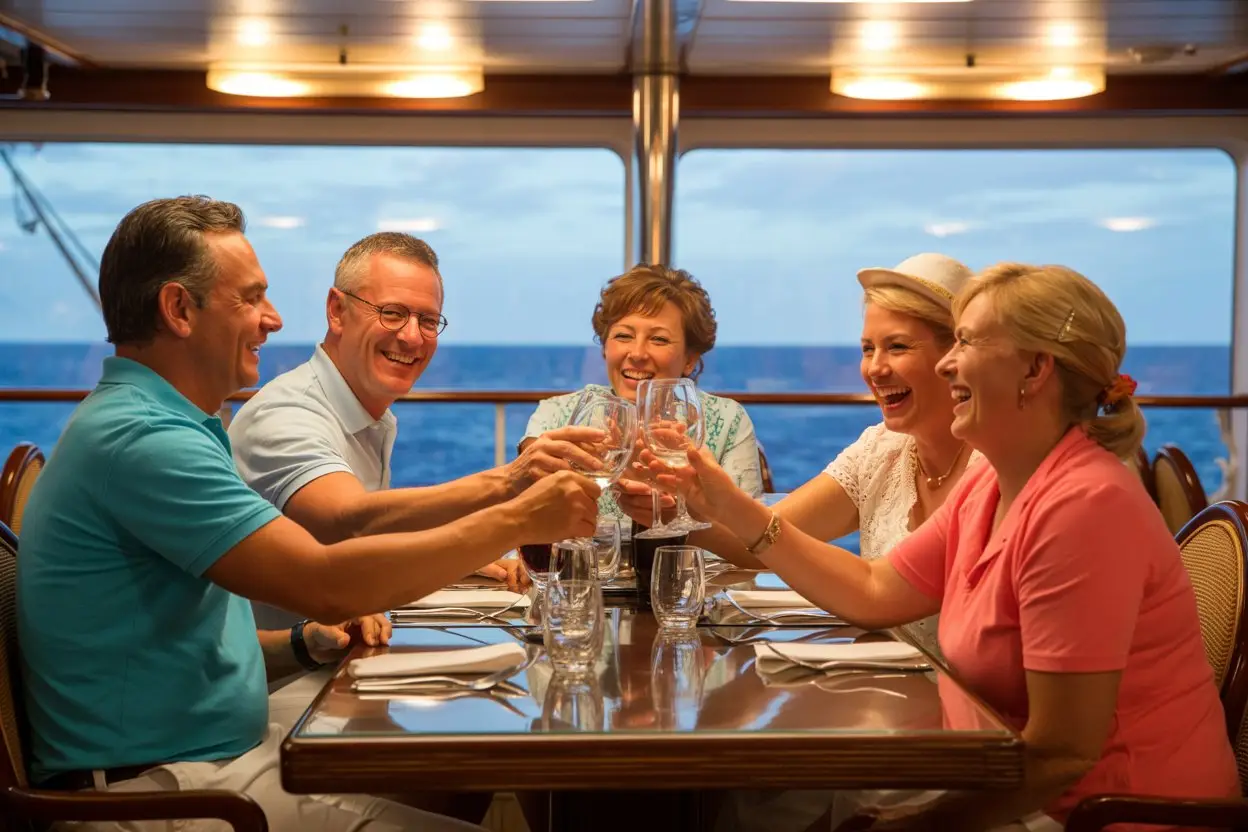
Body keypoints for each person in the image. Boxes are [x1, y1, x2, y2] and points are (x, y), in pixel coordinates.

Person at [16, 196, 599, 832]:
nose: (271, 319)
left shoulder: (169, 423)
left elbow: (169, 640)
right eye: (251, 298)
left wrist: (299, 642)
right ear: (179, 309)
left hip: (204, 753)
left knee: (454, 773)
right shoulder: (143, 438)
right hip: (162, 789)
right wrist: (517, 514)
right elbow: (325, 579)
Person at [654, 262, 1238, 831]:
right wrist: (725, 505)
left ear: (1035, 370)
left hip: (1109, 812)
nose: (949, 363)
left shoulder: (1085, 507)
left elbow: (1062, 756)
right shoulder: (996, 481)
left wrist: (920, 823)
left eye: (966, 342)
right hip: (1009, 783)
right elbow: (877, 589)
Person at [621, 252, 976, 661]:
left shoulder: (993, 469)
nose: (874, 369)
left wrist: (720, 503)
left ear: (954, 358)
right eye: (867, 348)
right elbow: (759, 543)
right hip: (893, 689)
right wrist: (681, 512)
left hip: (968, 710)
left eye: (897, 347)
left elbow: (875, 592)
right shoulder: (882, 450)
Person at [229, 232, 604, 592]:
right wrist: (512, 483)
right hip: (291, 656)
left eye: (427, 321)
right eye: (392, 313)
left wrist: (463, 559)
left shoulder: (365, 414)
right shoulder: (285, 412)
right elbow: (347, 522)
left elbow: (361, 543)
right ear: (337, 311)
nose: (412, 337)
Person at [522, 263, 763, 523]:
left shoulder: (727, 420)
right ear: (605, 347)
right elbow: (529, 515)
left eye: (658, 339)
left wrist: (678, 516)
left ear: (690, 359)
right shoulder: (558, 415)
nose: (637, 354)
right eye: (623, 336)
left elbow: (752, 538)